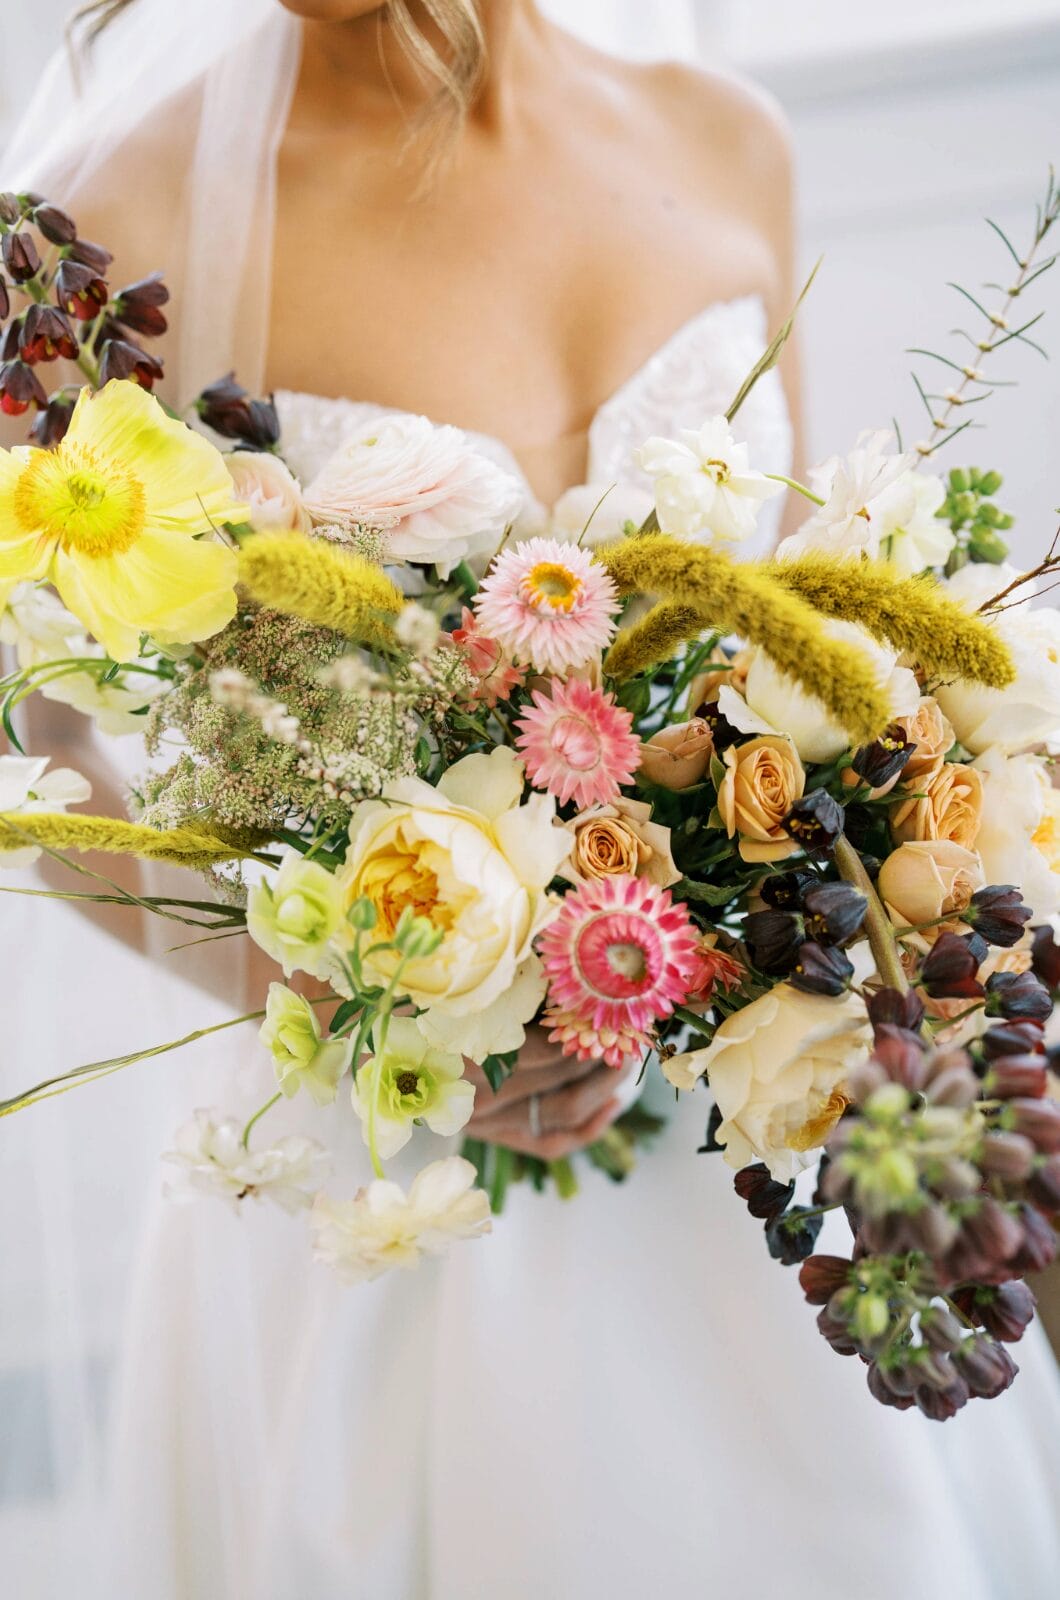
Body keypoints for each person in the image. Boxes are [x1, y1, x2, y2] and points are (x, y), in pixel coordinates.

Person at [2, 4, 1059, 1597]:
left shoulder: (726, 140)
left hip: (752, 1151)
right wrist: (322, 986)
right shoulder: (98, 235)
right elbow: (35, 747)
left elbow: (809, 617)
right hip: (400, 1190)